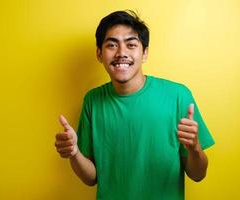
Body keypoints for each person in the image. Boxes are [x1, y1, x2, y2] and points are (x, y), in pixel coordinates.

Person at [55, 10, 214, 200]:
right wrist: (74, 153)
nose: (121, 53)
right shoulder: (93, 100)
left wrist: (194, 147)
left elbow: (198, 175)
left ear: (144, 53)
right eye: (112, 45)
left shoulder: (178, 95)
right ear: (99, 54)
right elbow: (91, 178)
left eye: (131, 45)